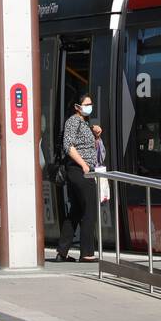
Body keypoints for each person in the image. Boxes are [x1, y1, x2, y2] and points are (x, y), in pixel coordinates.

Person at [56, 94, 100, 263]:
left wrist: (96, 136)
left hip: (81, 170)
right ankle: (87, 253)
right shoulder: (73, 121)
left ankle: (62, 251)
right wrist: (83, 165)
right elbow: (68, 145)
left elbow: (86, 147)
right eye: (86, 104)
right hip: (79, 171)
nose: (90, 106)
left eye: (91, 103)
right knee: (89, 209)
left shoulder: (84, 123)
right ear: (77, 106)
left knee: (75, 211)